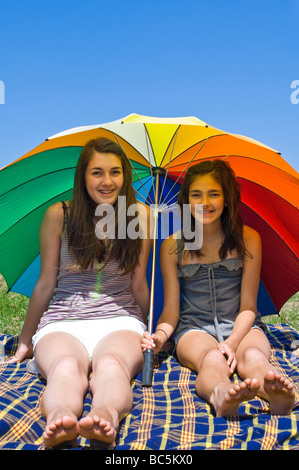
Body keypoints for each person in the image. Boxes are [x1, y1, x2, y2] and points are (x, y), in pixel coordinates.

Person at [7, 137, 152, 448]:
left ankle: (105, 417)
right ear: (83, 176)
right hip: (63, 321)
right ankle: (60, 418)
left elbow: (139, 283)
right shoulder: (59, 215)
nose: (107, 181)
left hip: (121, 320)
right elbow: (46, 282)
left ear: (125, 176)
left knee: (112, 365)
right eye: (96, 172)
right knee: (65, 368)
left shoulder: (140, 215)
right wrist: (23, 341)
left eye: (115, 172)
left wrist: (150, 330)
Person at [142, 159, 295, 417]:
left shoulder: (249, 239)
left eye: (214, 193)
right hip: (193, 328)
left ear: (227, 198)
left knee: (255, 357)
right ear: (186, 200)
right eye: (196, 194)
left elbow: (248, 305)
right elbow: (171, 310)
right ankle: (220, 394)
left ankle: (275, 394)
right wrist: (159, 336)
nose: (204, 202)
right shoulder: (171, 246)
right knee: (211, 359)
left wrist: (233, 342)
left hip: (243, 326)